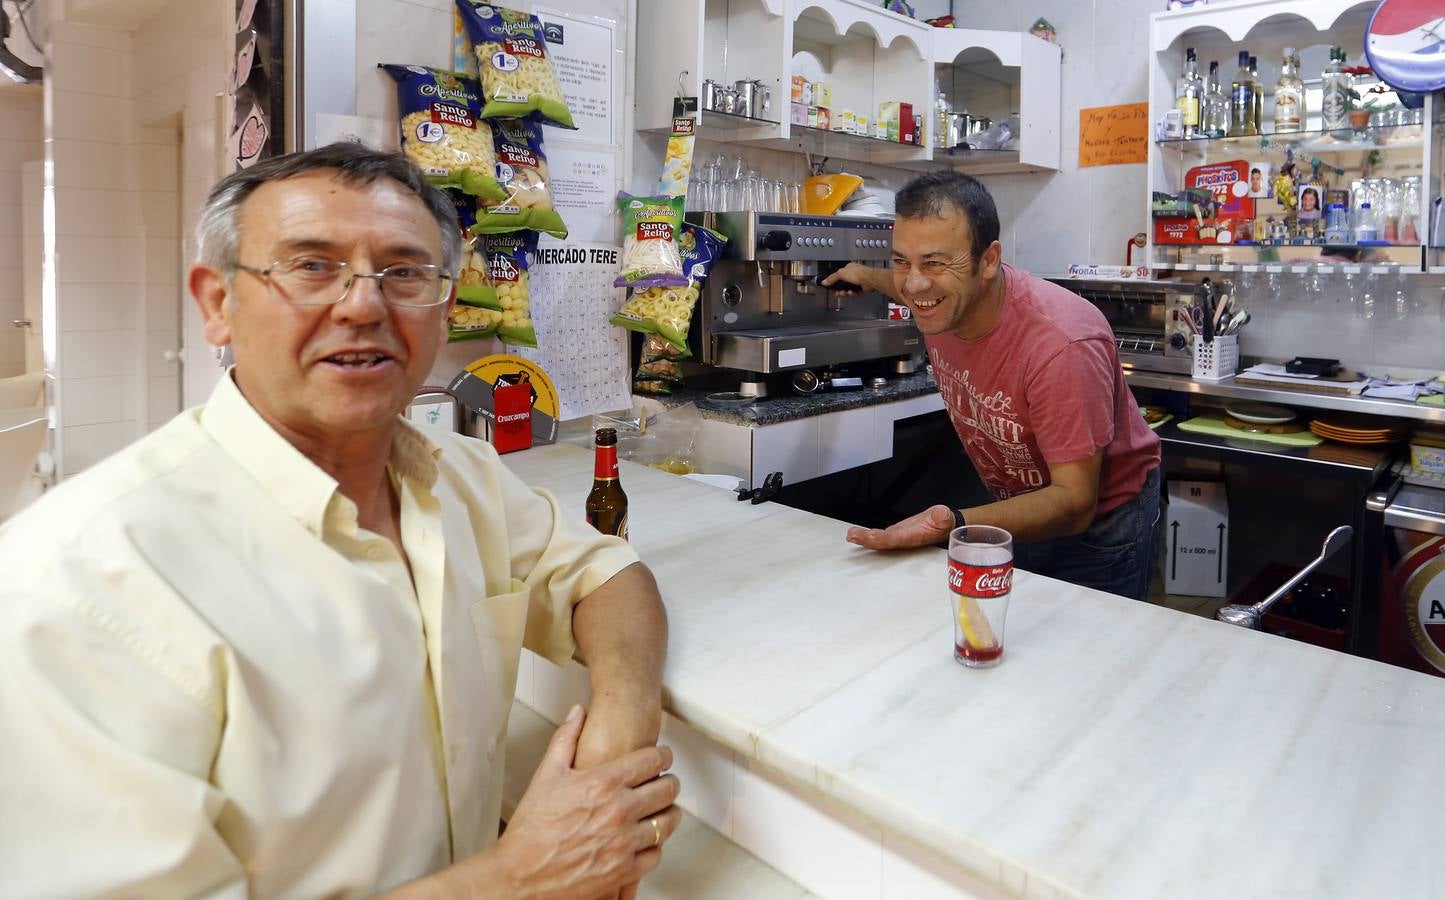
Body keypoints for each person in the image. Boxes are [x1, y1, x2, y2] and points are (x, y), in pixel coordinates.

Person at [0, 144, 679, 898]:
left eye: (404, 271)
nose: (363, 305)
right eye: (311, 266)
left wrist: (618, 739)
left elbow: (604, 574)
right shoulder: (72, 588)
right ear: (217, 304)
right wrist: (519, 879)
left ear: (446, 303)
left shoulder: (460, 475)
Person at [823, 171, 1162, 601]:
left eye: (935, 262)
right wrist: (864, 274)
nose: (914, 284)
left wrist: (954, 523)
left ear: (988, 261)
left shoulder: (1060, 345)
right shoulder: (938, 297)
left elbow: (1075, 503)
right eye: (901, 260)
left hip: (1102, 522)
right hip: (1024, 505)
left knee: (1089, 651)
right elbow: (908, 285)